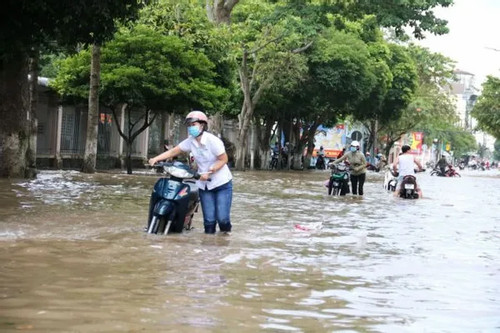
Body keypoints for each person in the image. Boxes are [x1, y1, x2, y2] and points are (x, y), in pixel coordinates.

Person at [148, 111, 233, 234]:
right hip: (204, 185)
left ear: (202, 125)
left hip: (222, 184)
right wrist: (156, 158)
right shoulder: (190, 141)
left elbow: (224, 159)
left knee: (223, 219)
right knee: (209, 223)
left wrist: (211, 170)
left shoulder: (213, 141)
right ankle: (209, 249)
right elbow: (173, 151)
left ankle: (225, 241)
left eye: (193, 124)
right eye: (189, 125)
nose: (190, 127)